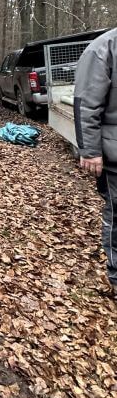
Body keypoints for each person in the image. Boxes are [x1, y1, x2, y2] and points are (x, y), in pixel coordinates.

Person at [74, 29, 117, 302]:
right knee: (116, 212)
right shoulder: (104, 47)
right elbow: (86, 103)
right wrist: (90, 151)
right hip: (114, 152)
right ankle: (116, 273)